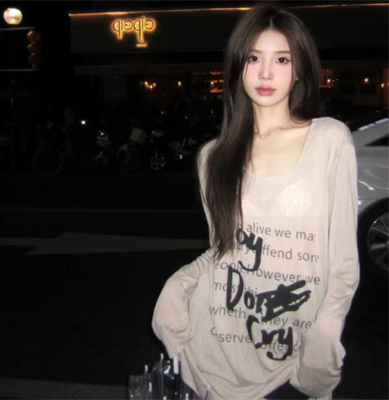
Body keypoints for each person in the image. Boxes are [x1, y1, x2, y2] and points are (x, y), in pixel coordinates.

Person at [152, 2, 359, 400]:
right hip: (213, 351)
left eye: (281, 59)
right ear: (238, 67)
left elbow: (343, 263)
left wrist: (325, 333)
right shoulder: (213, 157)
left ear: (299, 70)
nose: (266, 73)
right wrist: (181, 283)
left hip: (292, 360)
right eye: (253, 58)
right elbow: (223, 249)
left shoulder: (329, 140)